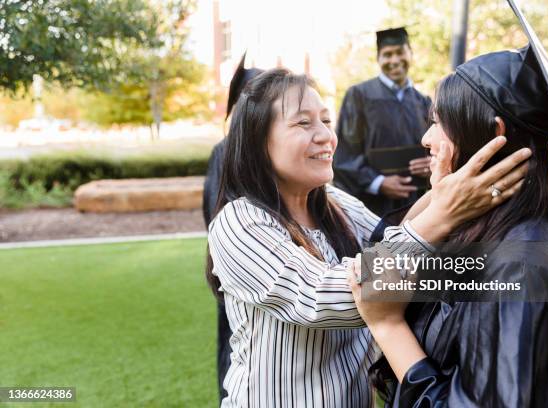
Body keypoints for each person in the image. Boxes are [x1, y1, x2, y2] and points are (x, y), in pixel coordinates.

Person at [206, 68, 530, 407]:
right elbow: (336, 298)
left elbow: (391, 241)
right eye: (303, 123)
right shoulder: (239, 222)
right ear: (258, 141)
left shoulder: (334, 204)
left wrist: (448, 183)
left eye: (326, 121)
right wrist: (443, 212)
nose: (325, 137)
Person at [348, 44, 548, 407]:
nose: (426, 140)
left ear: (493, 133)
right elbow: (380, 252)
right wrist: (444, 196)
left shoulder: (517, 260)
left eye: (437, 122)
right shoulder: (488, 234)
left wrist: (389, 327)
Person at [202, 53, 263, 403]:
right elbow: (216, 214)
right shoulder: (224, 152)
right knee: (234, 347)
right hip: (239, 273)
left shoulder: (272, 152)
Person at [333, 27, 432, 216]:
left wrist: (432, 165)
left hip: (416, 206)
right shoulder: (359, 96)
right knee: (379, 247)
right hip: (372, 207)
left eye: (400, 52)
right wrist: (378, 182)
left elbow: (435, 148)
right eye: (387, 54)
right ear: (378, 59)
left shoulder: (423, 101)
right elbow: (345, 155)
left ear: (410, 54)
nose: (394, 60)